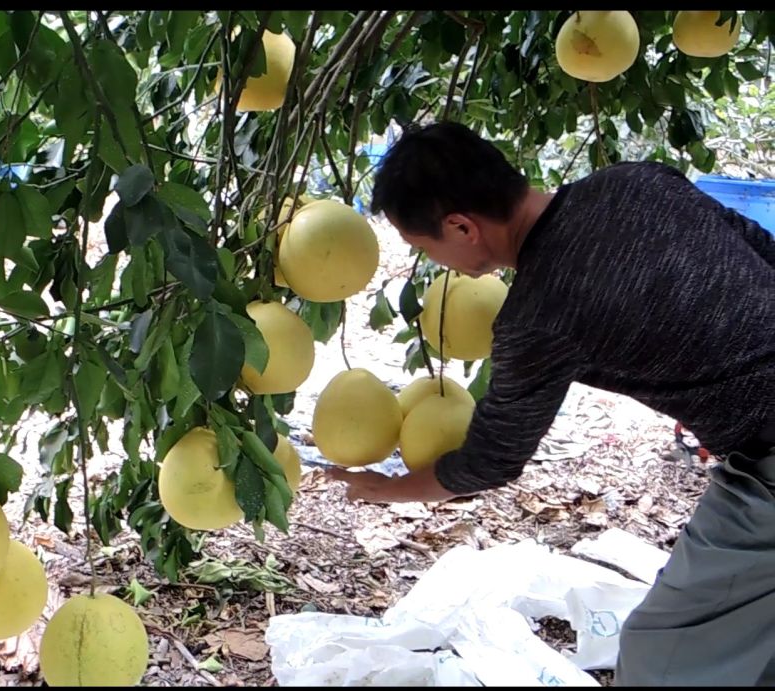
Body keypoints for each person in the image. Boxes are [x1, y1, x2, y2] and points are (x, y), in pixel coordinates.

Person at [324, 120, 775, 685]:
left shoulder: (538, 316)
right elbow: (762, 250)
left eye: (426, 248)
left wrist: (387, 490)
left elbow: (491, 460)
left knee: (665, 656)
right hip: (755, 449)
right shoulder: (637, 181)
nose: (437, 263)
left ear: (461, 227)